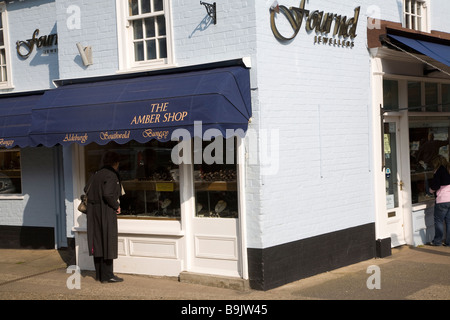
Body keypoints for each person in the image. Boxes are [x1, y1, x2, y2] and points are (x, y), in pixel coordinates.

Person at [85, 151, 124, 283]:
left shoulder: (96, 174)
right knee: (108, 241)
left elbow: (86, 189)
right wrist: (116, 205)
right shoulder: (112, 175)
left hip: (93, 212)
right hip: (106, 211)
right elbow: (108, 194)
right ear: (115, 163)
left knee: (97, 242)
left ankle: (99, 275)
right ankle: (108, 276)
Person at [428, 156, 450, 246]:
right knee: (449, 221)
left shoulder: (439, 171)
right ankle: (448, 242)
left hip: (442, 200)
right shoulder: (448, 170)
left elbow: (435, 186)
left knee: (439, 221)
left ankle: (437, 241)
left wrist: (430, 190)